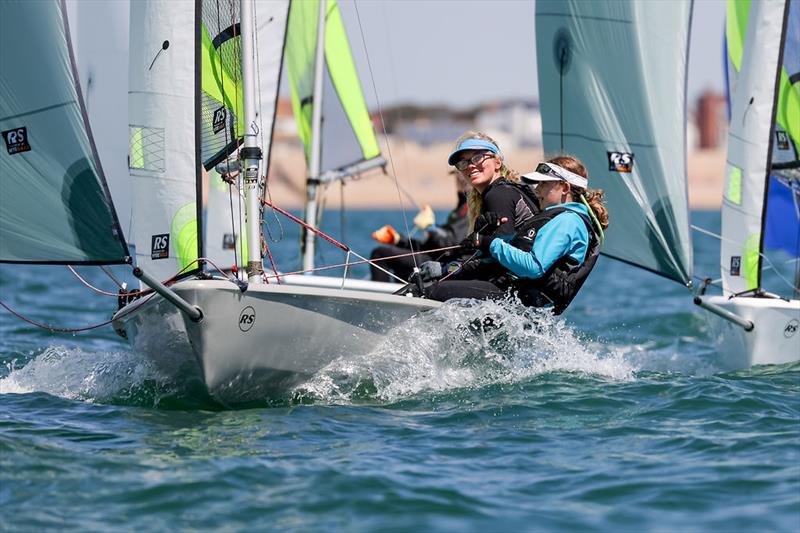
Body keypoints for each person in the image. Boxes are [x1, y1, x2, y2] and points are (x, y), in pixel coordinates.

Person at [426, 155, 609, 315]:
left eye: (544, 184)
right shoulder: (560, 218)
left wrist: (490, 244)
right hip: (520, 298)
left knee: (432, 291)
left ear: (565, 187)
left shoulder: (568, 221)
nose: (537, 190)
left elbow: (533, 266)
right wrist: (483, 236)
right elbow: (513, 252)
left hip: (522, 300)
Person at [416, 131, 540, 295]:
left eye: (478, 157)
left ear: (497, 162)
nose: (470, 166)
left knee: (427, 291)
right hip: (516, 287)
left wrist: (445, 269)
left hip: (514, 290)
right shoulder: (503, 191)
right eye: (463, 162)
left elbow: (498, 260)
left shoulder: (499, 194)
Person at [369, 171, 470, 282]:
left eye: (462, 177)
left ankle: (382, 298)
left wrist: (431, 227)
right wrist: (399, 240)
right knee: (399, 264)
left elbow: (452, 245)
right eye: (457, 177)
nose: (459, 180)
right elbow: (431, 246)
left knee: (379, 254)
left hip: (444, 263)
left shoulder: (470, 207)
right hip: (436, 257)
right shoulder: (461, 207)